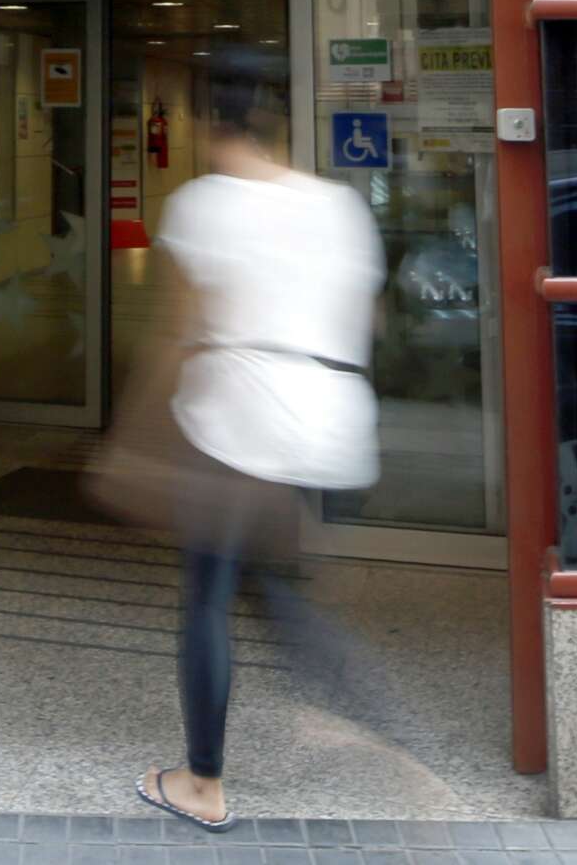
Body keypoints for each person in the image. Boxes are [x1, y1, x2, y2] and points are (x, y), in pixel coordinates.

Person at [130, 95, 392, 832]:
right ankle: (371, 717)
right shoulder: (337, 205)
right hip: (329, 422)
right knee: (263, 575)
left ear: (217, 126)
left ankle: (201, 781)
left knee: (210, 592)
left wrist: (145, 430)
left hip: (239, 419)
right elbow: (371, 316)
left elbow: (181, 328)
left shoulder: (203, 204)